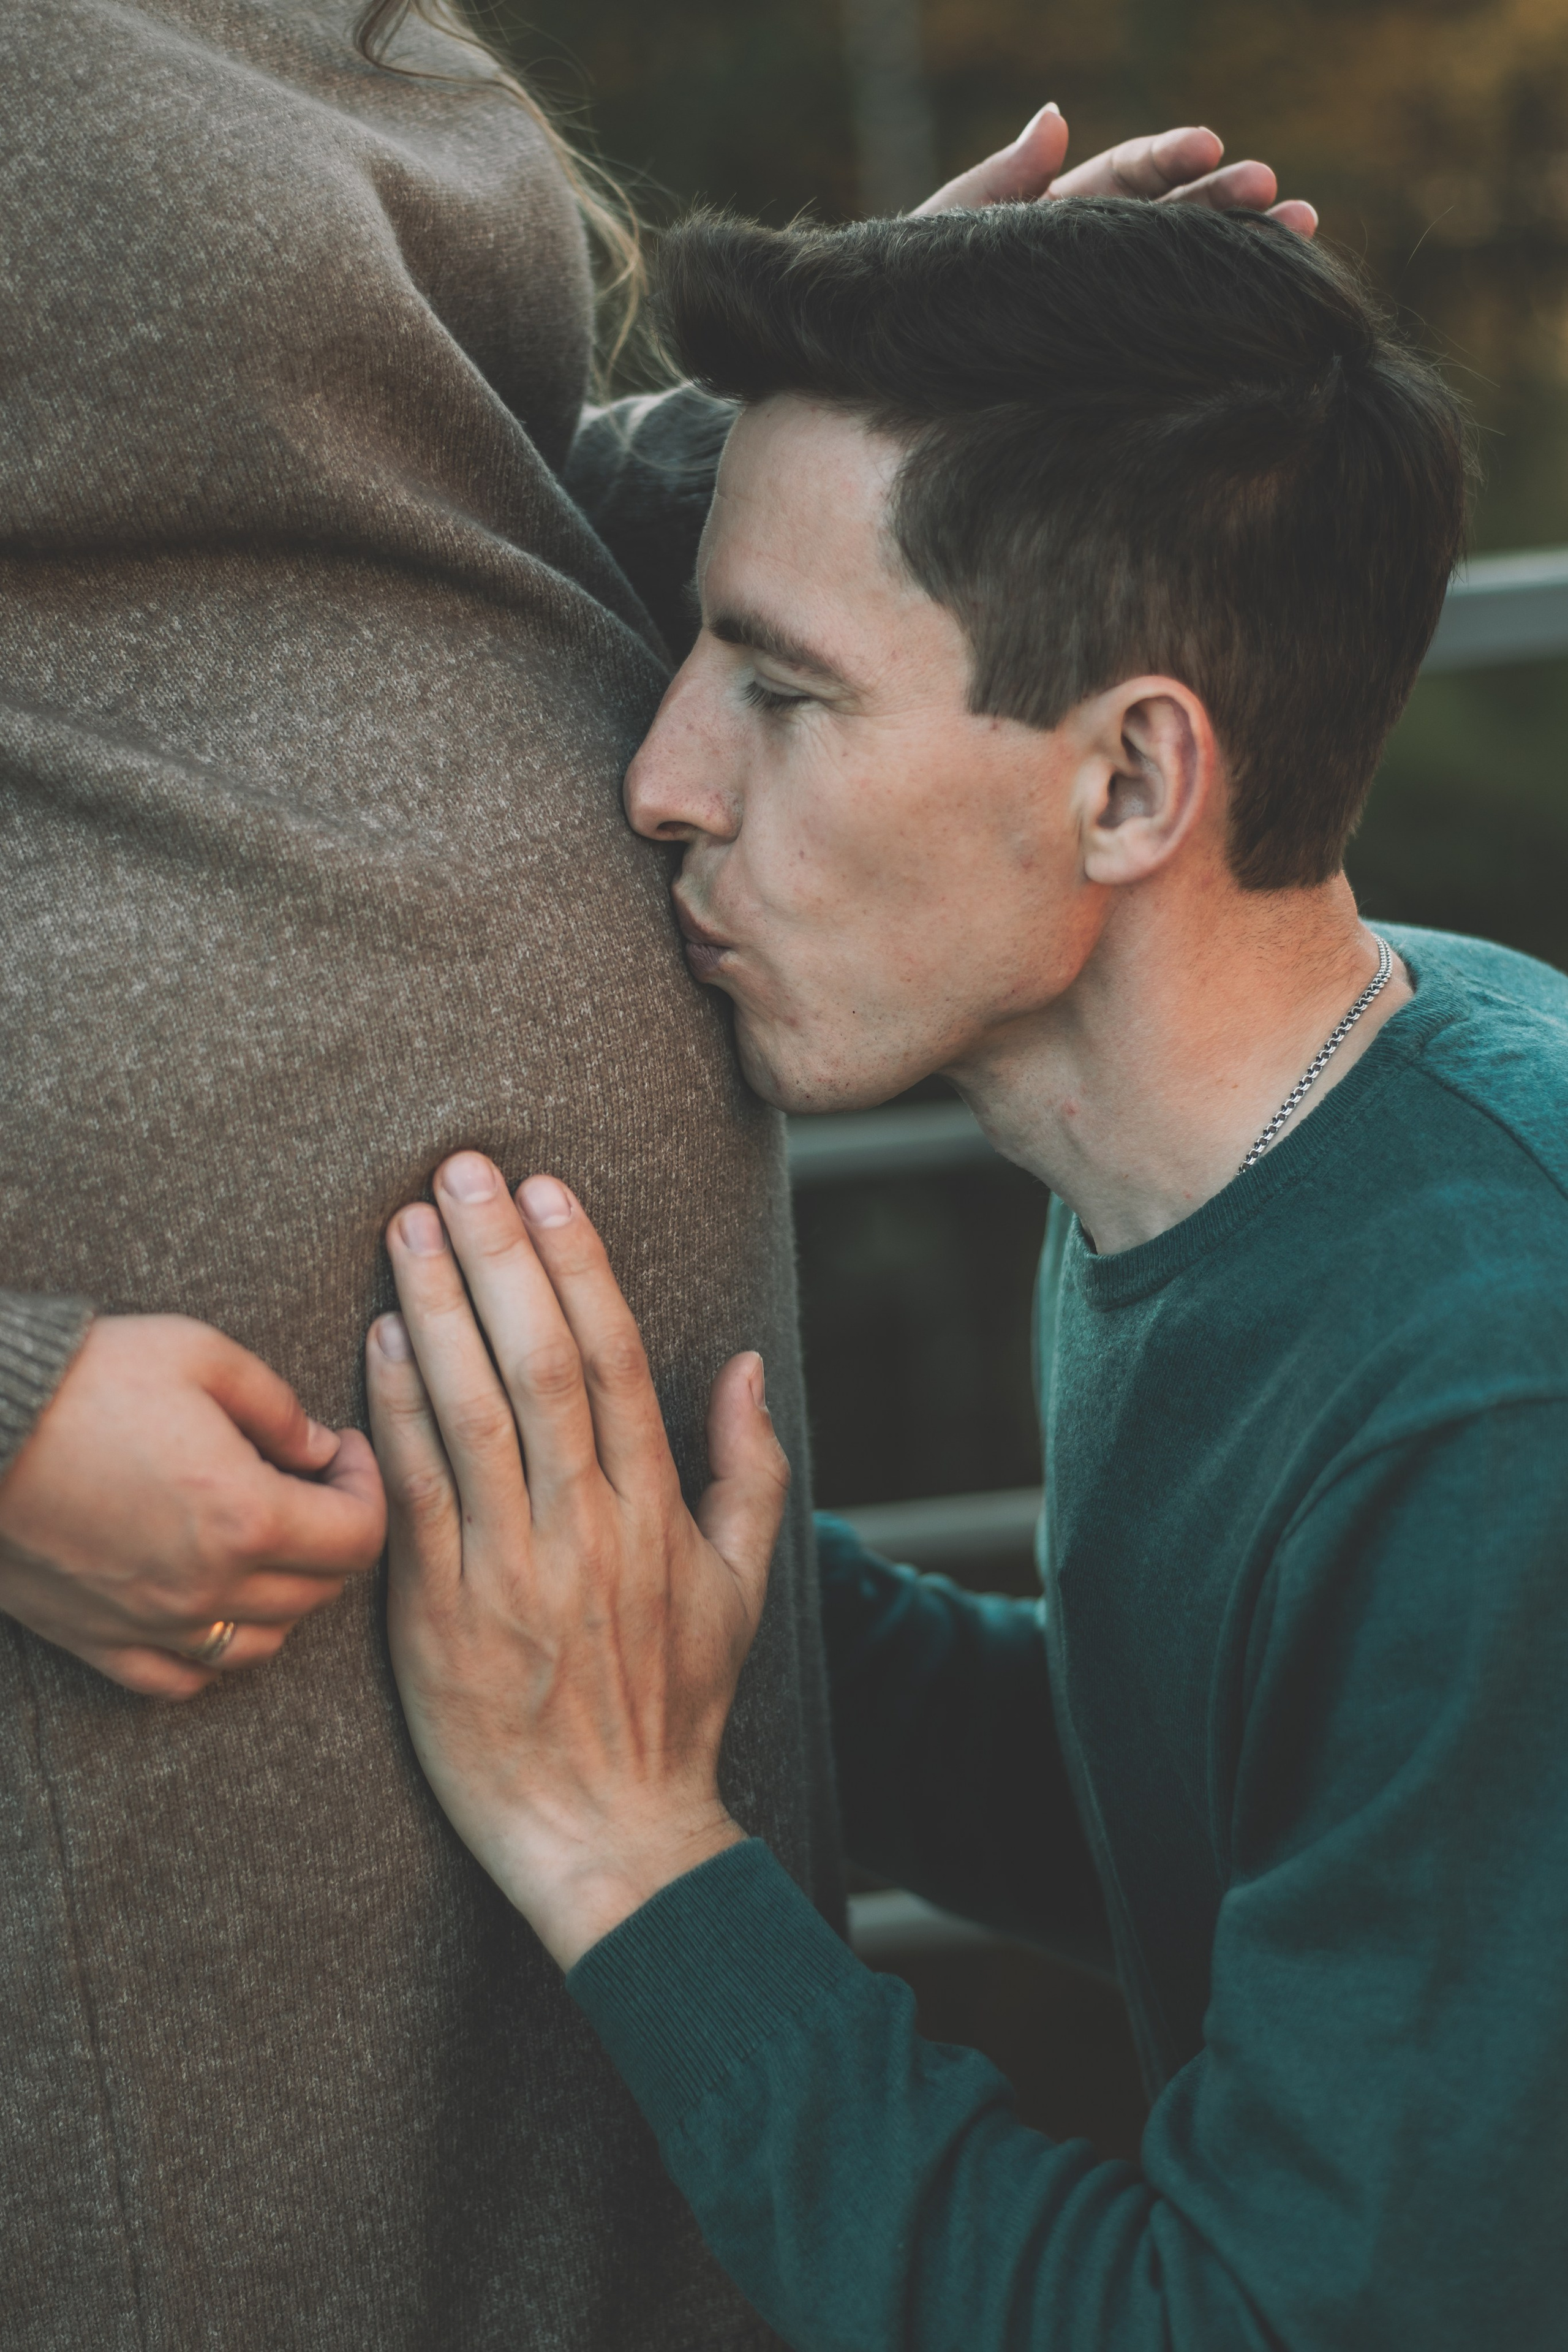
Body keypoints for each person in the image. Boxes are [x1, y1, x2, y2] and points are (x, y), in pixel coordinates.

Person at [0, 2, 1302, 2342]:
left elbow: (344, 551)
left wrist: (853, 439)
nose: (674, 782)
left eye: (773, 694)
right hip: (171, 1674)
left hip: (559, 1697)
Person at [366, 195, 1568, 2352]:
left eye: (780, 689)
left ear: (1128, 780)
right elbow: (1236, 1791)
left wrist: (618, 1847)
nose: (660, 780)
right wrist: (652, 1582)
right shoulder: (1313, 1122)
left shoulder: (1497, 1393)